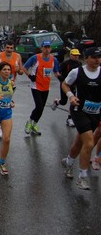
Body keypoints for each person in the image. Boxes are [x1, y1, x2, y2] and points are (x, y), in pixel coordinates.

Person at [60, 47, 101, 190]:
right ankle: (82, 177)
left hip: (96, 112)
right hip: (79, 110)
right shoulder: (77, 72)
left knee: (79, 142)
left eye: (99, 57)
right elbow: (65, 84)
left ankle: (69, 162)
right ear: (87, 58)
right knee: (89, 143)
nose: (98, 60)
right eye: (95, 57)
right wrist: (71, 96)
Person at [23, 40, 60, 135]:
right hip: (35, 86)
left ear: (50, 48)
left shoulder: (53, 60)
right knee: (39, 106)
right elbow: (24, 68)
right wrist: (30, 76)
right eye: (45, 47)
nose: (47, 49)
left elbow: (56, 72)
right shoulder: (35, 58)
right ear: (42, 48)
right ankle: (29, 122)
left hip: (46, 87)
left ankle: (34, 125)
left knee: (41, 108)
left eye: (49, 47)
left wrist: (62, 79)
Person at [52, 48, 82, 127]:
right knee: (63, 102)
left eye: (77, 55)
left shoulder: (79, 64)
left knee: (74, 101)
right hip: (65, 84)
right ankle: (57, 102)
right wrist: (60, 78)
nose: (76, 57)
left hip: (74, 85)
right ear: (70, 55)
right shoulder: (65, 63)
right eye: (74, 55)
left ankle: (70, 119)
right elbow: (56, 71)